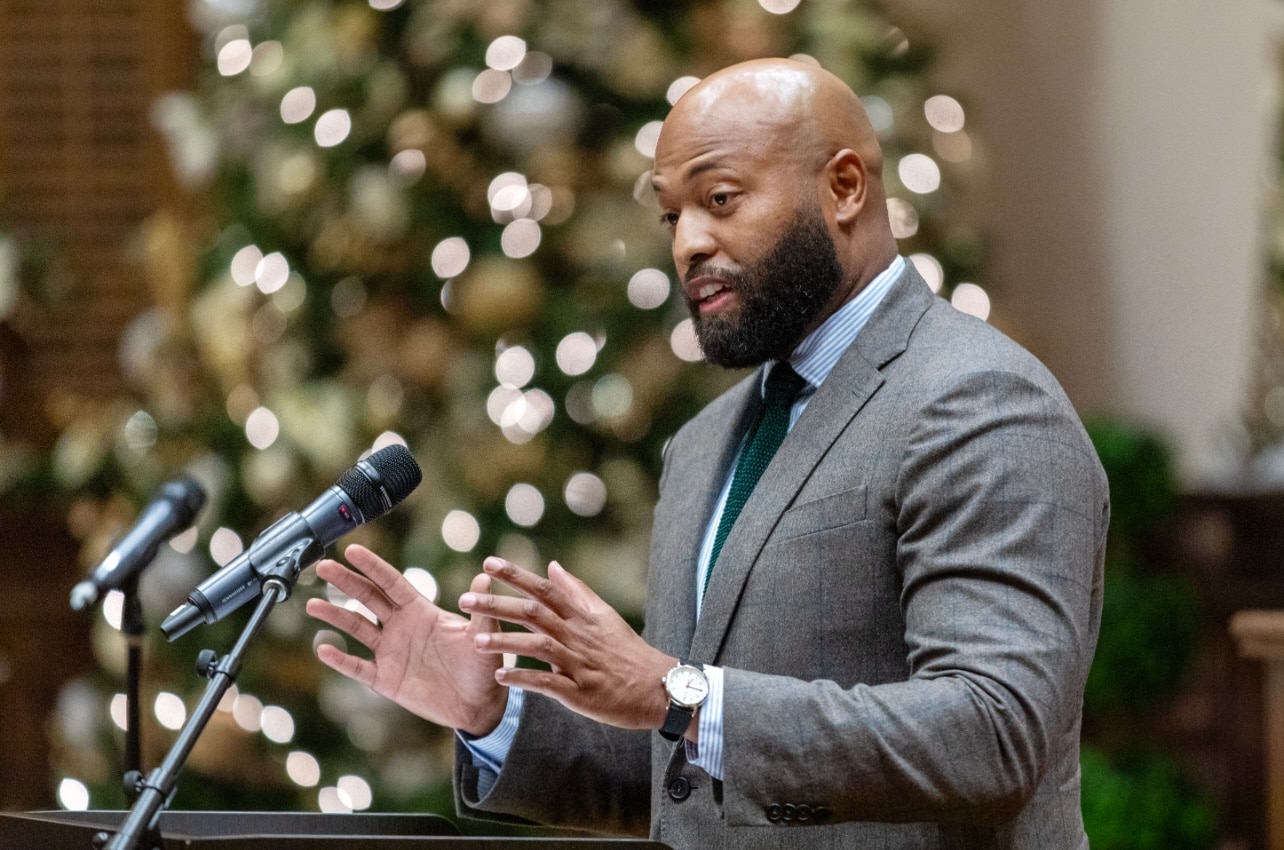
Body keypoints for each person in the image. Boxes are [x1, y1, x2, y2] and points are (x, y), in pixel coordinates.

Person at [306, 57, 1109, 849]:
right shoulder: (704, 445)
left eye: (721, 199)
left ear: (845, 188)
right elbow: (689, 782)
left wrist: (678, 694)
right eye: (671, 216)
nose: (688, 243)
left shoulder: (980, 400)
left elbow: (993, 736)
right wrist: (495, 710)